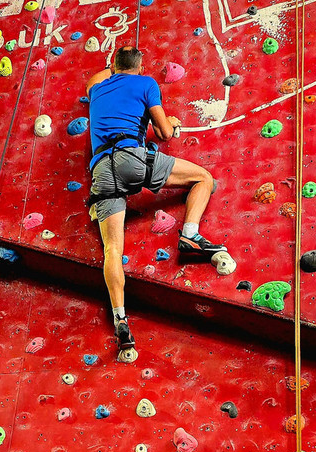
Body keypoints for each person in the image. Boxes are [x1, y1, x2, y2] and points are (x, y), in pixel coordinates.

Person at [86, 46, 226, 352]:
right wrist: (172, 123)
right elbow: (163, 134)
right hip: (130, 159)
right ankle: (190, 236)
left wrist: (113, 69)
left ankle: (120, 318)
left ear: (112, 65)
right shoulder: (146, 83)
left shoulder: (96, 89)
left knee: (112, 249)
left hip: (101, 170)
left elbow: (99, 77)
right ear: (140, 66)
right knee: (204, 178)